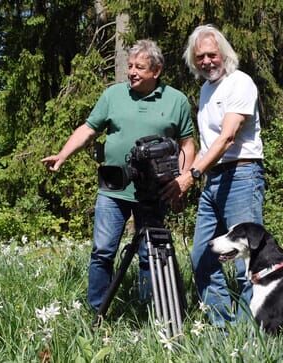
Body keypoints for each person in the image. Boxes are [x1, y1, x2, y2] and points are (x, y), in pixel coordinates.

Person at [42, 39, 195, 311]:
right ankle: (97, 311)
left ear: (156, 71)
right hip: (113, 189)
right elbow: (88, 129)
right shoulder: (113, 95)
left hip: (155, 190)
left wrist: (182, 182)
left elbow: (187, 144)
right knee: (102, 251)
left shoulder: (176, 100)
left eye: (140, 67)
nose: (132, 72)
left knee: (151, 254)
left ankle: (151, 312)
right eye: (130, 66)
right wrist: (63, 155)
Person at [162, 24, 265, 327]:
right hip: (213, 179)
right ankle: (223, 330)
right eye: (200, 58)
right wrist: (187, 179)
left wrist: (191, 175)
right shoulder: (206, 89)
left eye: (211, 55)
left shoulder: (240, 83)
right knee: (203, 256)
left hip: (242, 176)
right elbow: (202, 142)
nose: (207, 61)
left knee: (245, 260)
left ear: (223, 54)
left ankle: (250, 335)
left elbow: (227, 138)